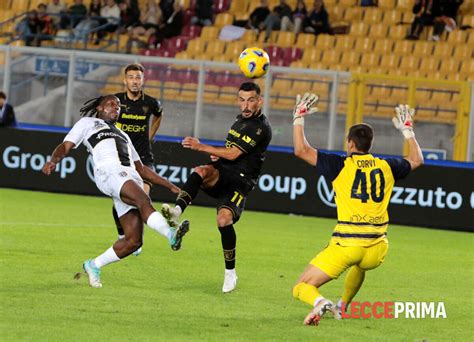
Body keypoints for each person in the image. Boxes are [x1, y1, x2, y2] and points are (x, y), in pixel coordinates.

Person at [291, 95, 423, 326]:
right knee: (361, 265)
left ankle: (321, 303)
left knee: (302, 286)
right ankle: (343, 305)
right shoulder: (387, 166)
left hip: (348, 245)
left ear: (350, 143)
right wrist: (408, 132)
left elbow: (301, 150)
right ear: (369, 144)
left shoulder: (340, 164)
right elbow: (417, 159)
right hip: (377, 249)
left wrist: (298, 118)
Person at [42, 95, 190, 288]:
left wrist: (170, 186)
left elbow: (142, 169)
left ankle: (93, 265)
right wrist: (53, 160)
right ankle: (171, 234)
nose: (116, 107)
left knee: (133, 241)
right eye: (111, 104)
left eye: (119, 106)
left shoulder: (123, 135)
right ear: (99, 107)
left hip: (129, 176)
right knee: (143, 200)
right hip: (109, 173)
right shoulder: (88, 123)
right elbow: (66, 145)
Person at [161, 82, 272, 293]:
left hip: (241, 182)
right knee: (200, 171)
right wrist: (215, 154)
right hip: (223, 171)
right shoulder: (240, 120)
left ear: (260, 101)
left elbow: (233, 154)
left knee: (223, 221)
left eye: (250, 100)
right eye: (242, 100)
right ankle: (176, 212)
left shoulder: (260, 127)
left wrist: (201, 146)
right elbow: (229, 151)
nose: (246, 105)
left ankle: (230, 272)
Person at [112, 63, 164, 256]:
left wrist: (150, 135)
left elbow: (159, 116)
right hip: (121, 158)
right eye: (131, 77)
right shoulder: (115, 101)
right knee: (120, 201)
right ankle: (122, 233)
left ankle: (136, 239)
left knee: (142, 197)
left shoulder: (151, 103)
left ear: (143, 80)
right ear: (125, 80)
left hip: (143, 158)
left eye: (138, 77)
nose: (135, 81)